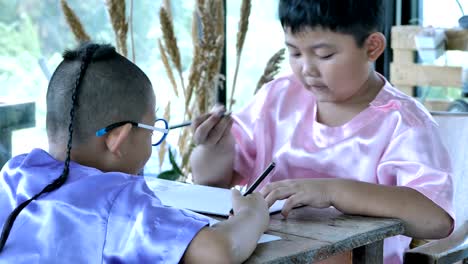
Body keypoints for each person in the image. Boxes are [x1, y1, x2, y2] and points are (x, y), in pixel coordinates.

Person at [189, 0, 454, 263]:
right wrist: (213, 146)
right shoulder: (277, 98)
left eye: (325, 55)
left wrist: (332, 192)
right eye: (294, 53)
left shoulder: (403, 122)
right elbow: (211, 182)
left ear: (372, 48)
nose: (307, 69)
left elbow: (436, 220)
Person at [0, 43, 269, 263]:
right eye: (152, 131)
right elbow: (217, 253)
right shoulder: (118, 199)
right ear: (119, 138)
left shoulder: (13, 176)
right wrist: (252, 215)